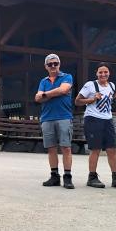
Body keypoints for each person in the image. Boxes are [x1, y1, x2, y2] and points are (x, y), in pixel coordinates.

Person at [75, 63, 116, 188]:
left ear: (109, 73)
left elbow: (108, 102)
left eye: (105, 72)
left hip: (107, 119)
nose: (103, 74)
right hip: (93, 119)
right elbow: (77, 101)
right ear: (96, 73)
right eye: (100, 72)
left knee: (112, 149)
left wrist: (115, 97)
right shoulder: (90, 85)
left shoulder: (112, 85)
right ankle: (92, 177)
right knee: (96, 149)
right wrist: (92, 99)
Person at [34, 53, 75, 189]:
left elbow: (63, 90)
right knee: (51, 148)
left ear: (59, 64)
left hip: (64, 116)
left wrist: (45, 94)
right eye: (50, 64)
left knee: (66, 148)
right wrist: (55, 93)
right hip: (47, 118)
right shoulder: (43, 81)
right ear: (46, 66)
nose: (53, 66)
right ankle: (54, 176)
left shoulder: (67, 77)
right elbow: (37, 98)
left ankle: (67, 177)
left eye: (55, 63)